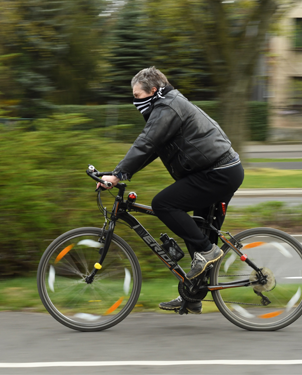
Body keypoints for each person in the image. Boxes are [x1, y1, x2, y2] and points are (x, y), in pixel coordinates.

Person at [100, 67, 244, 314]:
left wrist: (118, 175)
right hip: (216, 171)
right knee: (197, 232)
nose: (135, 101)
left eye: (138, 95)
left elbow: (145, 143)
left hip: (218, 172)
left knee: (164, 204)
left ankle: (208, 251)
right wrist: (120, 173)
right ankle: (193, 294)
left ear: (153, 91)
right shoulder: (165, 105)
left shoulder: (167, 107)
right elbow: (152, 149)